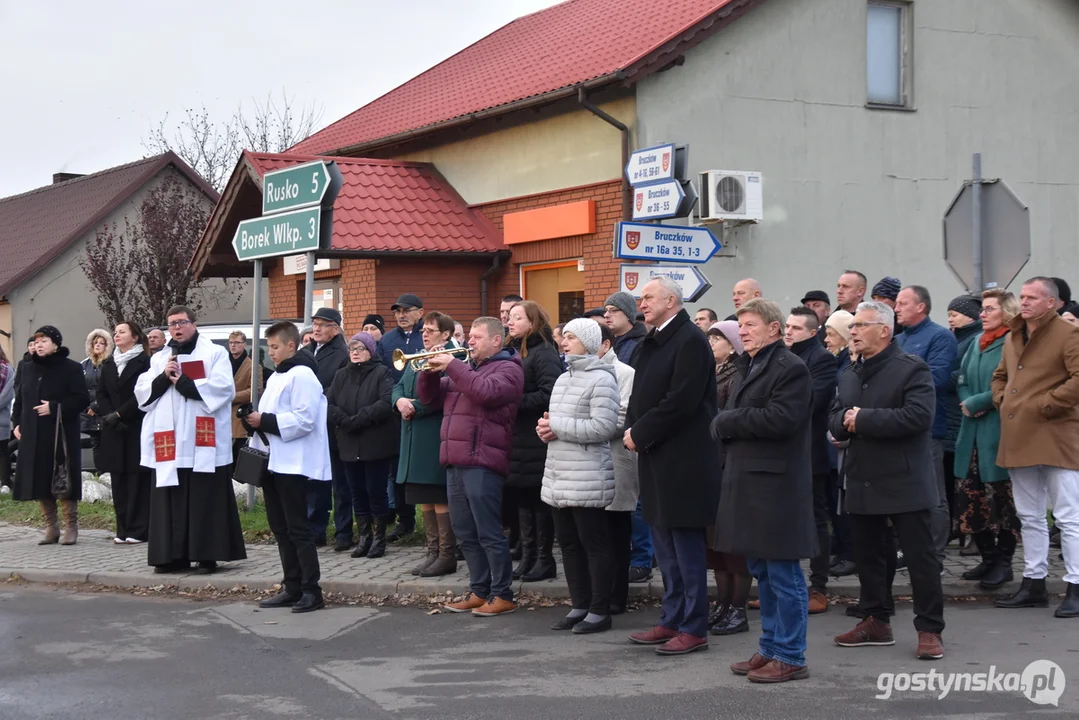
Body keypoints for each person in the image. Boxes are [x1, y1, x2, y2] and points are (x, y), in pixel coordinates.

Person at [830, 301, 945, 660]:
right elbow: (836, 415)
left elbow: (918, 417)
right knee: (869, 557)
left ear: (884, 329)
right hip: (862, 477)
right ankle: (876, 620)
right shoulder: (849, 371)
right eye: (852, 327)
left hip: (904, 478)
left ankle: (929, 628)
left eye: (861, 326)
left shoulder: (912, 368)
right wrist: (842, 423)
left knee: (920, 558)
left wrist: (861, 420)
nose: (853, 332)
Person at [713, 299, 815, 683]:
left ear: (774, 328)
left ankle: (791, 654)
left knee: (783, 572)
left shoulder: (790, 368)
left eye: (751, 324)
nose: (744, 331)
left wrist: (727, 420)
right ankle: (771, 646)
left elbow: (782, 419)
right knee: (762, 571)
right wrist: (725, 424)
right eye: (741, 325)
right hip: (749, 481)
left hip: (777, 486)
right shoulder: (751, 364)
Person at [625, 277, 718, 656]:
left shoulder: (691, 340)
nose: (641, 303)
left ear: (671, 300)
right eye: (641, 298)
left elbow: (682, 401)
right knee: (665, 546)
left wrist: (640, 432)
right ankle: (672, 617)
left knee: (686, 548)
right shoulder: (654, 338)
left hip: (684, 459)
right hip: (656, 454)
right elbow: (643, 392)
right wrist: (634, 429)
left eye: (648, 297)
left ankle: (694, 626)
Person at [418, 317, 524, 617]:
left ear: (496, 341)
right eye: (471, 336)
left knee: (489, 532)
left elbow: (485, 393)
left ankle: (502, 594)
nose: (470, 342)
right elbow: (429, 398)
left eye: (477, 337)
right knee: (465, 531)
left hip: (483, 461)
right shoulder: (467, 369)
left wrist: (452, 364)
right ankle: (479, 590)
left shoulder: (509, 369)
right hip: (455, 460)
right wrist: (427, 370)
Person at [134, 306, 246, 574]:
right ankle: (172, 557)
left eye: (182, 322)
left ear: (194, 325)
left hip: (200, 440)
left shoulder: (214, 353)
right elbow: (142, 393)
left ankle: (207, 555)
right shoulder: (160, 357)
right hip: (170, 442)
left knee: (204, 499)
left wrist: (183, 383)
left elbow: (223, 388)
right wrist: (164, 378)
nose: (177, 328)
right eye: (172, 324)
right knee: (169, 500)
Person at [991, 277, 1079, 618]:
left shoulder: (1068, 335)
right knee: (1029, 515)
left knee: (1068, 516)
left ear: (1052, 303)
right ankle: (1034, 582)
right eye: (1023, 296)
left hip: (1058, 434)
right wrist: (1002, 400)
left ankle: (1074, 585)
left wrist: (1045, 405)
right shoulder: (1014, 335)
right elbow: (1000, 376)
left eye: (1032, 297)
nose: (1024, 302)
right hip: (1019, 434)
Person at [539, 318, 621, 633]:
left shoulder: (602, 380)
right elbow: (556, 424)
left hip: (588, 474)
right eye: (564, 336)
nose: (564, 342)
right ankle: (580, 605)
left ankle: (600, 610)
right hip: (560, 473)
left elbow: (603, 428)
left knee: (594, 544)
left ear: (587, 342)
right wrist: (544, 429)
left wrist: (556, 427)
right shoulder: (563, 378)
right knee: (569, 544)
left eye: (571, 337)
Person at [246, 322, 331, 614]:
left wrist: (265, 421)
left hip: (293, 463)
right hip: (273, 461)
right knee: (280, 528)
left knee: (298, 528)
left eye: (275, 347)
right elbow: (271, 415)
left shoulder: (303, 375)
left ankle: (312, 589)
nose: (271, 353)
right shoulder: (278, 376)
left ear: (291, 345)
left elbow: (305, 419)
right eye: (269, 347)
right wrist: (253, 419)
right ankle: (291, 585)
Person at [954, 289, 1021, 590]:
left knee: (1001, 500)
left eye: (989, 309)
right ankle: (987, 556)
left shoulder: (1013, 342)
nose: (982, 314)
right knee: (972, 497)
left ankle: (1004, 562)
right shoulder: (975, 343)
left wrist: (980, 402)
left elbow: (1013, 383)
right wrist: (967, 400)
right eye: (981, 309)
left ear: (1006, 312)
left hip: (997, 429)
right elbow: (962, 378)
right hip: (971, 432)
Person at [895, 285, 958, 564]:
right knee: (904, 495)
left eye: (903, 303)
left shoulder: (940, 337)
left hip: (927, 428)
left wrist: (895, 389)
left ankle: (934, 554)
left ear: (921, 306)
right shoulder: (897, 340)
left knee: (932, 494)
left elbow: (937, 380)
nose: (896, 308)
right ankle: (908, 549)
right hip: (896, 427)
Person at [393, 311, 458, 577]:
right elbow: (397, 386)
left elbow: (444, 394)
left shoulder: (453, 357)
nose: (425, 334)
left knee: (438, 495)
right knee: (424, 499)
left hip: (433, 434)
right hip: (413, 435)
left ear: (446, 334)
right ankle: (432, 553)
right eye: (424, 330)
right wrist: (398, 401)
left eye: (431, 330)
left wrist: (415, 407)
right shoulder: (418, 356)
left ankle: (446, 554)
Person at [11, 326, 90, 545]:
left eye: (44, 341)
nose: (38, 345)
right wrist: (16, 423)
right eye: (36, 342)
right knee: (40, 478)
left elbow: (82, 399)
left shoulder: (71, 368)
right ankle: (51, 527)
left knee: (63, 476)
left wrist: (56, 408)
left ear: (55, 344)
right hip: (33, 432)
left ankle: (71, 526)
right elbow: (20, 398)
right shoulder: (27, 368)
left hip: (60, 433)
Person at [504, 300, 563, 582]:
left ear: (532, 322)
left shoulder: (544, 353)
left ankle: (544, 559)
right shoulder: (514, 350)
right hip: (517, 438)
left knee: (538, 500)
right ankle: (527, 557)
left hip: (535, 437)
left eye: (517, 317)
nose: (510, 322)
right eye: (509, 317)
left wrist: (515, 402)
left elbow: (551, 393)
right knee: (522, 497)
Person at [327, 332, 399, 560]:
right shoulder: (341, 375)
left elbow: (385, 402)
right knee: (356, 492)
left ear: (371, 351)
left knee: (375, 492)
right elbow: (329, 403)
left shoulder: (382, 372)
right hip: (348, 443)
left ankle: (379, 539)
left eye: (361, 349)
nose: (356, 353)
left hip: (374, 443)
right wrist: (344, 420)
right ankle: (364, 537)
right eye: (352, 349)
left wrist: (359, 419)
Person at [784, 306, 838, 614]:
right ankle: (785, 585)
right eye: (788, 326)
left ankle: (818, 586)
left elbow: (812, 401)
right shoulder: (783, 356)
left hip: (811, 450)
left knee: (818, 518)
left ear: (812, 332)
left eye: (796, 328)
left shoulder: (821, 359)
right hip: (785, 451)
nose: (789, 331)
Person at [704, 320, 753, 636]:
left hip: (730, 464)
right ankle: (722, 603)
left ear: (733, 343)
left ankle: (738, 607)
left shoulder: (740, 375)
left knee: (734, 542)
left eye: (716, 338)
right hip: (710, 463)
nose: (710, 343)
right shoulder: (713, 372)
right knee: (716, 542)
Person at [602, 291, 651, 580]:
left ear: (629, 315)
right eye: (606, 311)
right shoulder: (616, 344)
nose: (607, 315)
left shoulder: (640, 346)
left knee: (635, 501)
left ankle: (642, 559)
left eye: (614, 311)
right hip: (613, 435)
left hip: (632, 430)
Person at [97, 321, 152, 544]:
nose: (116, 335)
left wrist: (120, 414)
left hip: (135, 426)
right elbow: (102, 393)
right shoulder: (109, 363)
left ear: (135, 337)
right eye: (116, 332)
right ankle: (122, 529)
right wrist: (110, 415)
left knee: (137, 481)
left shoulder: (145, 362)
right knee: (118, 481)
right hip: (114, 429)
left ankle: (139, 530)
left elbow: (144, 394)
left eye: (122, 332)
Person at [595, 322, 638, 615]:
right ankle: (598, 592)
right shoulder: (575, 373)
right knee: (596, 533)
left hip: (616, 458)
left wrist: (584, 428)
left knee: (617, 531)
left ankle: (617, 596)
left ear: (606, 345)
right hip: (589, 461)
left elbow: (624, 414)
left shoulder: (625, 373)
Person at [302, 307, 349, 549]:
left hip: (332, 423)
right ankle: (315, 529)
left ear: (336, 329)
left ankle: (343, 532)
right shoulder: (308, 350)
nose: (317, 328)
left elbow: (338, 386)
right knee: (314, 479)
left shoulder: (342, 352)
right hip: (311, 424)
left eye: (323, 324)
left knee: (340, 481)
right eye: (315, 324)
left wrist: (318, 403)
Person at [382, 294, 425, 541]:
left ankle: (437, 521)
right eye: (397, 311)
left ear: (420, 312)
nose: (401, 315)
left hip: (426, 411)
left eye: (406, 310)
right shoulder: (388, 340)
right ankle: (405, 520)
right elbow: (384, 375)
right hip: (398, 412)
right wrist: (397, 400)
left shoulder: (427, 336)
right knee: (398, 468)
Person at [945, 295, 983, 546]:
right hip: (951, 414)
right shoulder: (954, 338)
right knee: (951, 476)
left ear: (970, 315)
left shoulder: (974, 340)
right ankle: (957, 527)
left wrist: (945, 378)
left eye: (955, 313)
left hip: (961, 415)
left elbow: (963, 374)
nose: (950, 317)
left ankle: (968, 532)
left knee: (964, 478)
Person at [228, 331, 262, 468]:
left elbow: (256, 391)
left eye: (237, 342)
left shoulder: (253, 366)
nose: (233, 346)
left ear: (245, 344)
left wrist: (232, 397)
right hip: (221, 417)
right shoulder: (222, 363)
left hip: (239, 418)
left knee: (237, 458)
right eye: (231, 343)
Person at [81, 328, 113, 468]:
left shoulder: (111, 363)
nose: (98, 345)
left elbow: (110, 388)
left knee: (108, 443)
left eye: (102, 343)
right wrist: (87, 406)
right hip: (88, 412)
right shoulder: (84, 365)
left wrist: (96, 406)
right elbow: (80, 387)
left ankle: (109, 473)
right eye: (95, 343)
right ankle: (100, 473)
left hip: (105, 409)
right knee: (96, 443)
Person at [0, 346, 15, 491]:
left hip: (1, 420)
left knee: (3, 451)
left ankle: (5, 482)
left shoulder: (7, 370)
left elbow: (7, 395)